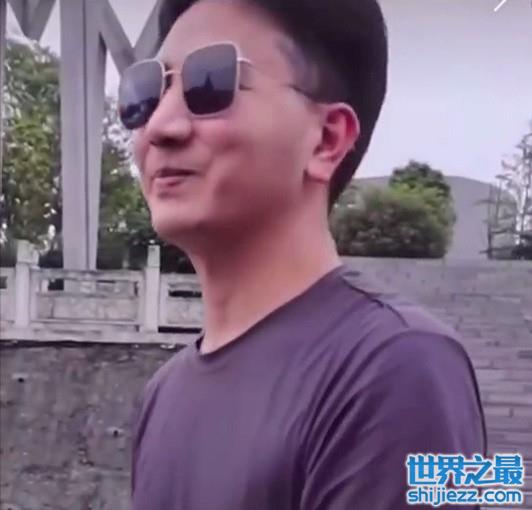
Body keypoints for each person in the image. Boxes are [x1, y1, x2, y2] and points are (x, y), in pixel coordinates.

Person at [120, 0, 487, 508]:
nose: (161, 126)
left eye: (210, 82)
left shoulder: (408, 367)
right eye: (147, 93)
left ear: (326, 140)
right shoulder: (163, 393)